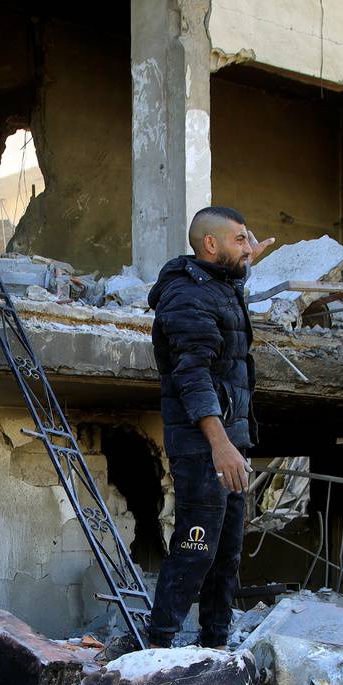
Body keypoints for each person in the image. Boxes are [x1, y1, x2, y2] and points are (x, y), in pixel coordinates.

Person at [138, 207, 272, 650]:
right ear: (209, 245)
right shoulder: (186, 298)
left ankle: (215, 648)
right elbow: (192, 377)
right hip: (204, 448)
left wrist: (250, 258)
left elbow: (230, 287)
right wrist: (220, 446)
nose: (247, 245)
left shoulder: (217, 285)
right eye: (239, 239)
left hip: (229, 442)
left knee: (227, 554)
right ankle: (158, 648)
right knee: (196, 550)